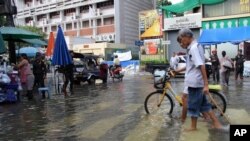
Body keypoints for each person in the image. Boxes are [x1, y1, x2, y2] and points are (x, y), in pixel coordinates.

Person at [175, 28, 225, 131]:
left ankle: (193, 127)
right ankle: (216, 123)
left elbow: (201, 65)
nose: (182, 42)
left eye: (182, 39)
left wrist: (206, 84)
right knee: (204, 105)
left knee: (193, 105)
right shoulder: (195, 46)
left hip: (195, 82)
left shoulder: (194, 48)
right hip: (195, 82)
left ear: (188, 37)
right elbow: (192, 65)